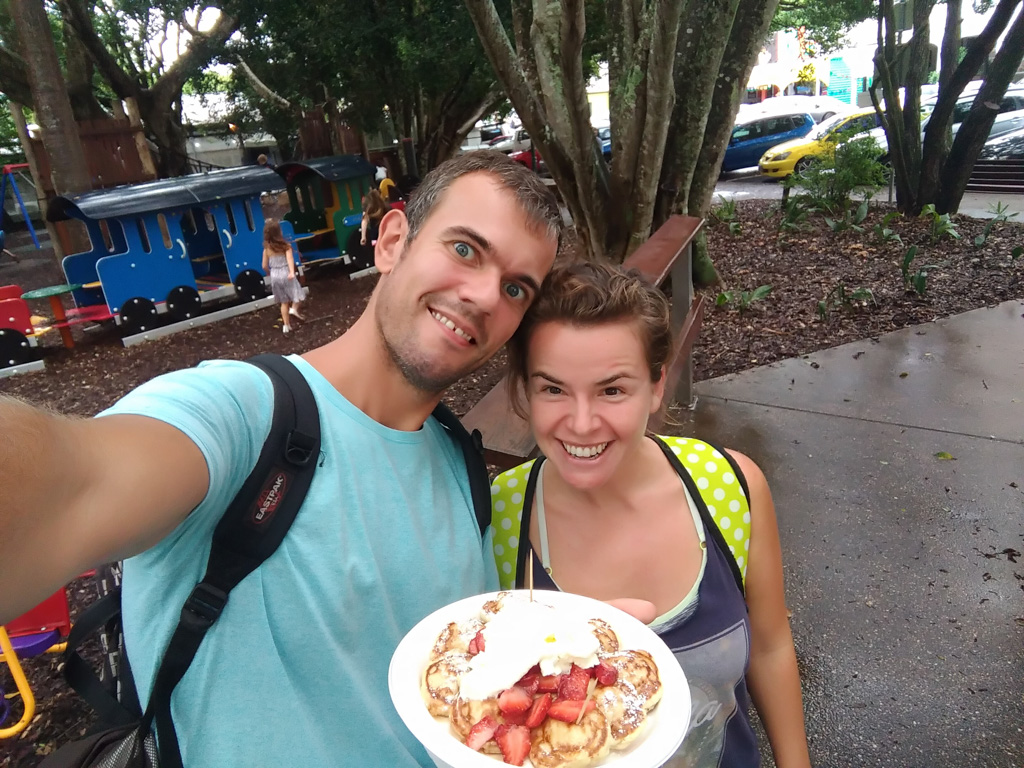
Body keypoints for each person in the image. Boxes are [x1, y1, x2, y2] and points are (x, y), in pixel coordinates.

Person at [0, 151, 563, 767]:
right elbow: (69, 483)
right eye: (464, 249)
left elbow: (464, 691)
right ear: (393, 241)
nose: (484, 295)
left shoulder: (462, 471)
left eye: (515, 288)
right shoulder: (241, 417)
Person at [489, 261, 813, 768]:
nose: (581, 424)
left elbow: (771, 647)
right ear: (525, 391)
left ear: (657, 385)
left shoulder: (728, 485)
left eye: (612, 389)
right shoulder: (504, 516)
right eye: (553, 389)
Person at [261, 218, 305, 334]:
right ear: (279, 232)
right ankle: (294, 309)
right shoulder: (286, 246)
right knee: (298, 294)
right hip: (286, 272)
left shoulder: (267, 249)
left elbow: (264, 265)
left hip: (275, 274)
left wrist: (269, 272)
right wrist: (291, 272)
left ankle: (286, 326)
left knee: (283, 301)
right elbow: (290, 259)